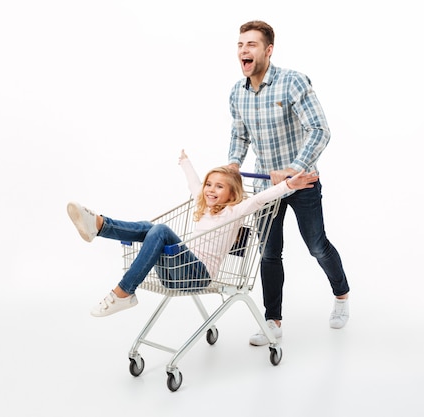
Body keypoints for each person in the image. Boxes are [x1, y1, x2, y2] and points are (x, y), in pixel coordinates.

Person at [67, 150, 318, 317]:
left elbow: (263, 197)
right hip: (175, 271)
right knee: (150, 227)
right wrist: (185, 161)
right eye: (209, 184)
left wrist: (288, 184)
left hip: (199, 275)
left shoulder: (236, 210)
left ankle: (123, 291)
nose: (210, 190)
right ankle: (99, 226)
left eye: (219, 187)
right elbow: (193, 183)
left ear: (232, 194)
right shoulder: (204, 203)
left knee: (160, 230)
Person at [226, 20, 351, 346]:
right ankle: (273, 321)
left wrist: (294, 170)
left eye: (251, 45)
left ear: (268, 50)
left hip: (303, 180)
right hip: (267, 185)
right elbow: (240, 134)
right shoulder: (237, 92)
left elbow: (320, 129)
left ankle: (341, 295)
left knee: (316, 245)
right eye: (240, 45)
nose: (244, 51)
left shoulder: (292, 82)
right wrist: (233, 163)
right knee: (269, 253)